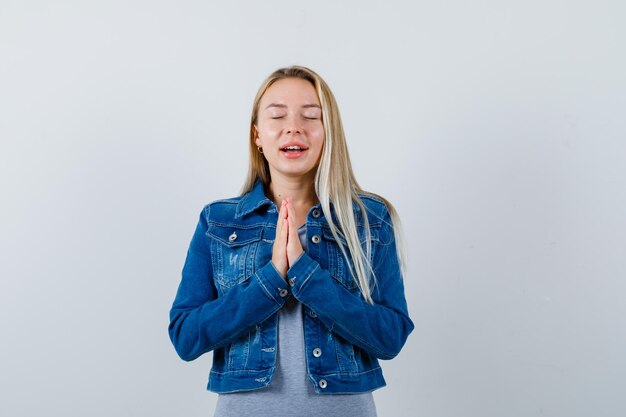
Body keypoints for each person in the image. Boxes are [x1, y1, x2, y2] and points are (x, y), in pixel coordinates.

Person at [168, 65, 414, 417]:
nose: (293, 126)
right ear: (257, 135)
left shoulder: (369, 219)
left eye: (311, 116)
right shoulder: (218, 221)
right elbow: (186, 337)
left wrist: (306, 274)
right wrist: (271, 279)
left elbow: (390, 337)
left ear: (328, 132)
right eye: (277, 115)